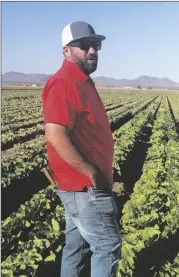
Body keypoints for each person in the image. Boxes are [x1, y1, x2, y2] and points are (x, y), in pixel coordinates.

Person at [42, 21, 122, 277]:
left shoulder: (81, 81)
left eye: (95, 45)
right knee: (108, 246)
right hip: (85, 187)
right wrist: (93, 173)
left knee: (76, 247)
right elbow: (56, 134)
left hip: (81, 186)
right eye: (84, 46)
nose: (92, 51)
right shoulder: (64, 82)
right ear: (67, 50)